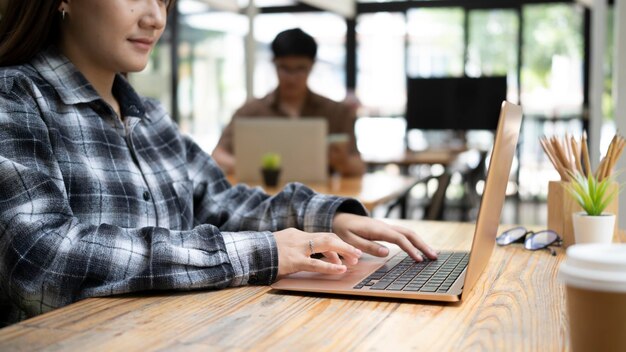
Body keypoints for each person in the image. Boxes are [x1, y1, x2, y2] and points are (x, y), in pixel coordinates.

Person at [0, 0, 437, 327]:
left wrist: (326, 216)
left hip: (178, 332)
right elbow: (42, 256)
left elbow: (220, 202)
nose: (155, 17)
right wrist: (264, 251)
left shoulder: (150, 118)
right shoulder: (15, 98)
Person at [212, 28, 366, 176]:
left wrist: (342, 162)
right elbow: (218, 155)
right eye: (284, 68)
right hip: (265, 198)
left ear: (312, 66)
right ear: (274, 64)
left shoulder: (337, 113)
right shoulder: (249, 112)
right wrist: (249, 168)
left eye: (300, 69)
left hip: (322, 199)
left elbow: (358, 166)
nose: (291, 78)